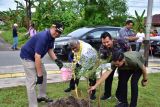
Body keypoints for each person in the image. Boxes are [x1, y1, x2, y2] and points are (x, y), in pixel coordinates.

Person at [20, 22, 64, 107]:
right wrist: (39, 76)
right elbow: (37, 57)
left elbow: (50, 50)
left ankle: (41, 96)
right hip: (27, 57)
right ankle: (33, 105)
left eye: (59, 33)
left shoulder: (52, 37)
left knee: (44, 74)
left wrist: (57, 61)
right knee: (31, 81)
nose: (57, 33)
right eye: (56, 31)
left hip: (35, 57)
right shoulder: (43, 37)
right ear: (52, 27)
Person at [99, 32, 130, 100]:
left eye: (107, 42)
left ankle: (118, 95)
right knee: (108, 77)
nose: (106, 44)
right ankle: (107, 95)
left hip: (122, 60)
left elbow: (129, 49)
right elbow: (102, 60)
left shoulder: (121, 41)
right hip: (111, 62)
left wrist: (125, 60)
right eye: (104, 42)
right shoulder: (102, 47)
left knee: (122, 78)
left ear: (111, 39)